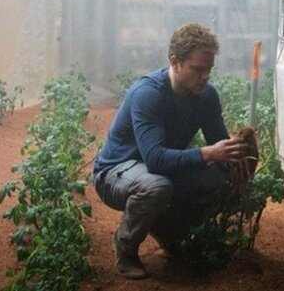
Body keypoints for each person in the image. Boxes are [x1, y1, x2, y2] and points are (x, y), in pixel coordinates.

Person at [93, 23, 247, 279]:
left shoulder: (206, 96)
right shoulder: (149, 94)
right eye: (197, 69)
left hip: (160, 171)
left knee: (223, 174)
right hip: (116, 172)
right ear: (175, 62)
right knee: (156, 186)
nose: (205, 76)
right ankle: (126, 247)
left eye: (208, 69)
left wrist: (236, 151)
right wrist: (208, 153)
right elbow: (154, 160)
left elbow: (218, 143)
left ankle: (169, 231)